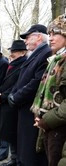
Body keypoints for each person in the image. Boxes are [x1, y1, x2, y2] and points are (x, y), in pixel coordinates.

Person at [8, 24, 52, 166]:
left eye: (27, 38)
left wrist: (16, 97)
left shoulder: (46, 53)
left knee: (30, 152)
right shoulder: (35, 54)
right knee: (24, 147)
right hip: (24, 108)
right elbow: (22, 79)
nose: (25, 41)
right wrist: (13, 93)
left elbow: (35, 83)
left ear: (38, 36)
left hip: (30, 110)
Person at [31, 14, 66, 166]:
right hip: (51, 125)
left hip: (60, 127)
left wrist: (47, 120)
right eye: (49, 34)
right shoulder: (55, 59)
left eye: (56, 33)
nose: (50, 38)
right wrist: (41, 116)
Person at [0, 40, 27, 166]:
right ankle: (14, 158)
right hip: (5, 102)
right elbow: (4, 82)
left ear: (23, 52)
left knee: (13, 134)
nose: (11, 53)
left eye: (14, 51)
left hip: (12, 103)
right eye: (11, 51)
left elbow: (17, 85)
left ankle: (16, 159)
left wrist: (3, 95)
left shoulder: (22, 65)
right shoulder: (13, 64)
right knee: (9, 134)